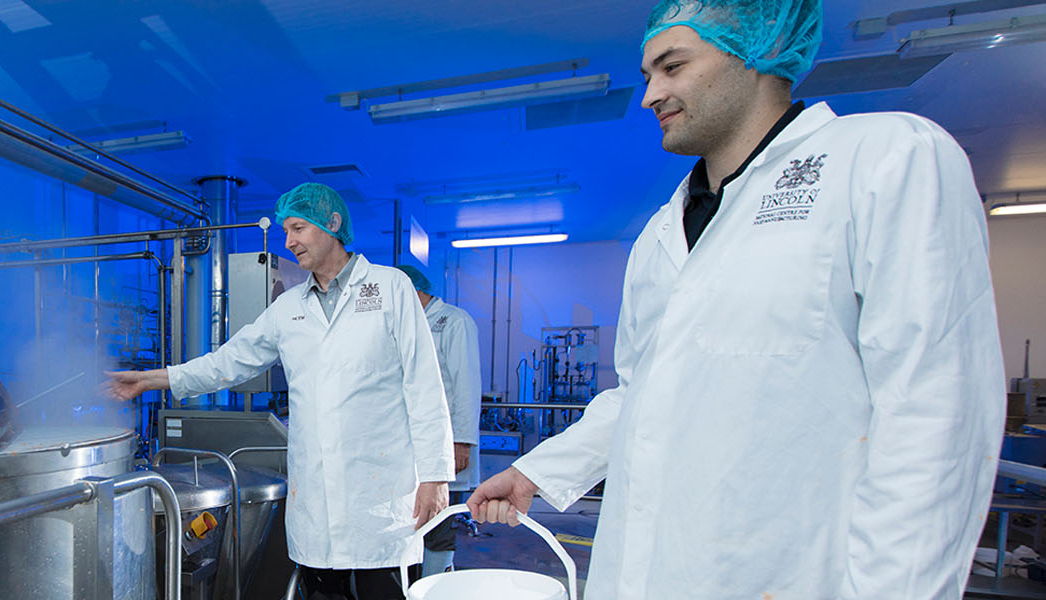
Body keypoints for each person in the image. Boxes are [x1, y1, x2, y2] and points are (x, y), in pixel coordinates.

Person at [468, 1, 1005, 597]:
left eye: (672, 67)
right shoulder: (659, 233)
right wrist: (535, 472)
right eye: (648, 75)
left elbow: (933, 416)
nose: (651, 95)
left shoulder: (883, 159)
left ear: (757, 53)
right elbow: (638, 396)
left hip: (790, 574)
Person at [106, 183, 454, 599]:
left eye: (298, 229)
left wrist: (435, 476)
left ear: (332, 225)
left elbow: (424, 384)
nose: (289, 242)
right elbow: (227, 363)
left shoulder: (390, 288)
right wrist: (149, 379)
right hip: (316, 505)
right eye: (287, 231)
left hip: (379, 497)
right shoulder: (289, 307)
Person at [396, 265, 482, 577]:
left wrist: (461, 441)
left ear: (410, 290)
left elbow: (466, 385)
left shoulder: (454, 322)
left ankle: (434, 586)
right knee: (418, 520)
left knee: (439, 521)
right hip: (413, 446)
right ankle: (417, 583)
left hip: (446, 441)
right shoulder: (411, 323)